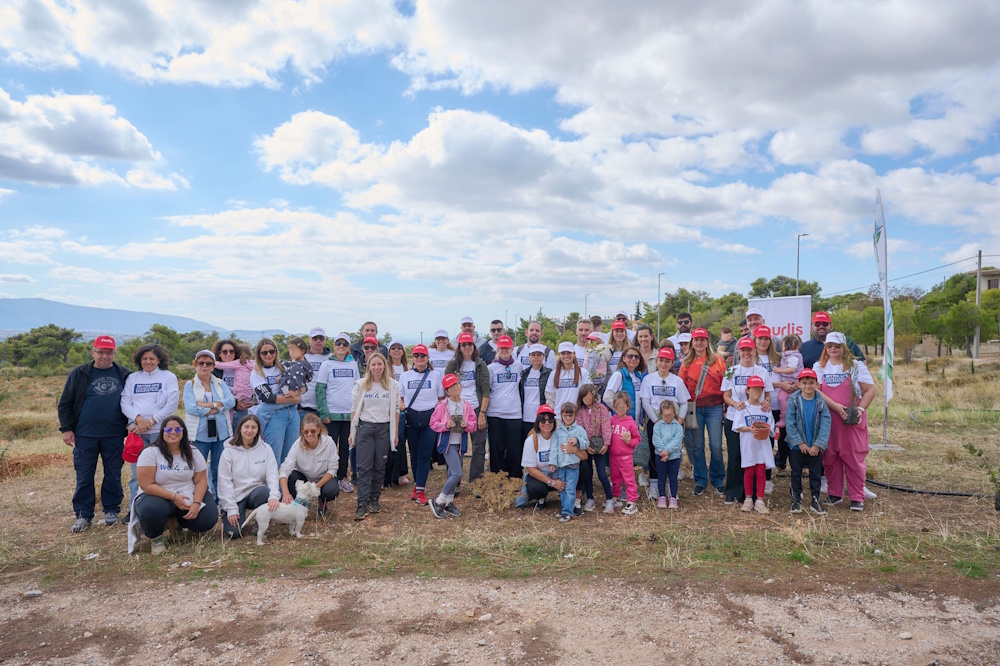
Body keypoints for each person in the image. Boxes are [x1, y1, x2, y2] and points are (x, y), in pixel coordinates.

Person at [58, 335, 132, 532]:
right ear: (93, 352)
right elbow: (65, 403)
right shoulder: (80, 373)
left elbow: (134, 401)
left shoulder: (124, 374)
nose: (105, 356)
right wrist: (66, 429)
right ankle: (83, 515)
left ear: (115, 353)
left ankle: (111, 509)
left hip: (115, 433)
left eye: (109, 352)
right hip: (85, 434)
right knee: (84, 474)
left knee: (113, 473)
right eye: (101, 352)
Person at [127, 417, 218, 555]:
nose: (173, 432)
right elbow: (146, 485)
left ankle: (176, 523)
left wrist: (196, 503)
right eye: (168, 429)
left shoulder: (193, 451)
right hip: (157, 494)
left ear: (184, 432)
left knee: (207, 519)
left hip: (187, 492)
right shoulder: (150, 452)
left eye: (177, 429)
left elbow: (200, 481)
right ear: (162, 432)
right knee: (151, 509)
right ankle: (156, 537)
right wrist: (174, 497)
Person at [813, 332, 876, 511]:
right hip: (828, 419)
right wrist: (835, 406)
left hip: (850, 420)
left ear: (844, 348)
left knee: (853, 457)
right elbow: (816, 390)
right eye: (829, 345)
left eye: (837, 346)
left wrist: (860, 409)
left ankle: (857, 496)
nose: (833, 349)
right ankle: (835, 494)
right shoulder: (819, 366)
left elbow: (870, 390)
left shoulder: (855, 366)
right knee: (830, 456)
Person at [121, 343, 179, 515]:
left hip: (159, 433)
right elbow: (125, 402)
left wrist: (152, 421)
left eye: (152, 358)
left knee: (160, 473)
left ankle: (162, 510)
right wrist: (138, 419)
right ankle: (135, 510)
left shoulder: (168, 377)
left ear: (159, 360)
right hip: (137, 434)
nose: (148, 362)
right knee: (136, 474)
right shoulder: (133, 378)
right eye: (144, 358)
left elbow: (172, 403)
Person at [721, 337, 774, 505]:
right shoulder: (732, 371)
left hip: (755, 418)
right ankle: (732, 492)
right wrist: (735, 404)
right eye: (743, 350)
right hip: (734, 418)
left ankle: (749, 494)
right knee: (735, 455)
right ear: (739, 352)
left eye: (749, 350)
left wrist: (766, 402)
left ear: (754, 351)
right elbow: (726, 395)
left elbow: (767, 394)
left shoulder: (761, 371)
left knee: (753, 457)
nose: (746, 353)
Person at [349, 352, 399, 520]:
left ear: (384, 366)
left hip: (384, 429)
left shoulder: (392, 385)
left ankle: (374, 499)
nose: (377, 367)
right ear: (368, 366)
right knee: (364, 468)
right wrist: (352, 432)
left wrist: (395, 433)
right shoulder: (361, 384)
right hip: (366, 428)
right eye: (373, 364)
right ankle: (362, 503)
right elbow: (354, 408)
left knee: (379, 466)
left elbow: (396, 410)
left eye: (380, 364)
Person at [678, 328, 727, 496]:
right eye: (696, 340)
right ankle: (700, 480)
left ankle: (718, 479)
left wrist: (726, 408)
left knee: (715, 446)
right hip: (695, 408)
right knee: (697, 446)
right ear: (692, 343)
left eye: (702, 339)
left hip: (714, 407)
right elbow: (681, 388)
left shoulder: (718, 361)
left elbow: (726, 386)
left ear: (707, 342)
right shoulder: (686, 363)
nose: (699, 343)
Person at [217, 414, 281, 539]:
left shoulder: (265, 449)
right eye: (246, 427)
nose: (249, 430)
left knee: (264, 492)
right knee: (234, 534)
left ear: (258, 430)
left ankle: (259, 522)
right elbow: (224, 482)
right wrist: (231, 508)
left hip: (255, 493)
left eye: (253, 427)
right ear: (240, 429)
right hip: (235, 496)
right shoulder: (228, 451)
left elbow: (272, 475)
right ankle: (232, 515)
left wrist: (274, 495)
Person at [182, 349, 236, 497]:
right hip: (199, 434)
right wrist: (217, 407)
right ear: (195, 364)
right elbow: (191, 408)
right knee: (197, 467)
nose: (204, 366)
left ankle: (218, 499)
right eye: (201, 363)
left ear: (213, 366)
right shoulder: (190, 385)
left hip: (221, 433)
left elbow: (231, 401)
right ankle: (198, 498)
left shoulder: (220, 383)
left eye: (208, 363)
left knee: (219, 468)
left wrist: (207, 405)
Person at [638, 347, 690, 497]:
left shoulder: (677, 381)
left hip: (672, 421)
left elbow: (684, 402)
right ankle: (654, 484)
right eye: (661, 360)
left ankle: (669, 485)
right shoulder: (649, 379)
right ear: (657, 361)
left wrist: (679, 420)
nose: (663, 364)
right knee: (655, 451)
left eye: (667, 361)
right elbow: (646, 402)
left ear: (672, 362)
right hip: (655, 420)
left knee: (673, 451)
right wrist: (655, 421)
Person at [753, 325, 796, 495]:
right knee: (764, 441)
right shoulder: (752, 358)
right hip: (763, 405)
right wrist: (780, 384)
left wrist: (790, 384)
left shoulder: (779, 357)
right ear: (755, 340)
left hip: (782, 404)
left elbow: (790, 374)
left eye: (766, 338)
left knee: (784, 440)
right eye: (760, 338)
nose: (763, 342)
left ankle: (780, 476)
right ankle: (764, 478)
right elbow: (757, 382)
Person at [399, 344, 444, 506]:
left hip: (429, 418)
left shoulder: (436, 375)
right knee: (414, 454)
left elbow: (441, 399)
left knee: (424, 455)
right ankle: (417, 487)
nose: (419, 358)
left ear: (427, 357)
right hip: (411, 417)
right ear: (413, 358)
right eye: (416, 355)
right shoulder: (405, 376)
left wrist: (436, 415)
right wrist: (405, 409)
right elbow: (400, 398)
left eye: (422, 355)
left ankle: (420, 490)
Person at [315, 333, 359, 494]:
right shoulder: (327, 365)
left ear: (349, 347)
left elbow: (357, 388)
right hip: (331, 414)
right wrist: (323, 412)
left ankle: (342, 478)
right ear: (334, 346)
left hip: (349, 414)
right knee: (330, 447)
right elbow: (320, 389)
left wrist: (357, 412)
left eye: (345, 344)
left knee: (346, 446)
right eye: (338, 343)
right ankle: (330, 478)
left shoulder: (353, 364)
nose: (341, 346)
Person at [428, 373, 477, 518]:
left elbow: (473, 424)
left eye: (457, 385)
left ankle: (448, 503)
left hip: (460, 445)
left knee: (452, 474)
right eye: (451, 387)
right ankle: (438, 501)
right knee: (457, 474)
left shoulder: (467, 405)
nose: (455, 388)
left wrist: (467, 425)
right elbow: (433, 423)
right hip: (447, 444)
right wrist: (445, 425)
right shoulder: (442, 405)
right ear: (447, 391)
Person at [445, 332, 491, 482]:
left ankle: (476, 481)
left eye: (469, 344)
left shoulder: (480, 364)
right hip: (457, 410)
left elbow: (485, 390)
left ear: (474, 346)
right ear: (459, 347)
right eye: (463, 344)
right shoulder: (452, 365)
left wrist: (482, 414)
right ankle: (454, 480)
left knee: (478, 447)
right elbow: (447, 388)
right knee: (455, 446)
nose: (466, 347)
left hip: (476, 409)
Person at [784, 369, 831, 514]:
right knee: (796, 472)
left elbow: (825, 423)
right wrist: (799, 442)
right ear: (799, 384)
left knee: (816, 473)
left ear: (817, 384)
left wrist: (818, 444)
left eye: (811, 383)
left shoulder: (820, 402)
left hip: (814, 447)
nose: (808, 386)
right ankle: (796, 500)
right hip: (797, 446)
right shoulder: (793, 400)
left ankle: (815, 501)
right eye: (804, 383)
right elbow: (790, 423)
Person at [250, 338, 301, 465]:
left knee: (290, 455)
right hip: (274, 415)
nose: (269, 355)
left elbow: (296, 387)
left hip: (292, 413)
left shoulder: (283, 367)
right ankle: (273, 485)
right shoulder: (256, 373)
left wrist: (295, 395)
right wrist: (293, 399)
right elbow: (268, 398)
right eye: (264, 353)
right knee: (274, 455)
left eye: (272, 351)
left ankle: (286, 484)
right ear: (259, 354)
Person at [279, 413, 341, 516]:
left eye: (313, 431)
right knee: (290, 477)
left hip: (322, 478)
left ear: (319, 430)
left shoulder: (329, 442)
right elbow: (285, 468)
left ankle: (322, 501)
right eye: (305, 431)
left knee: (332, 490)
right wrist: (285, 493)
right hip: (303, 476)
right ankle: (300, 504)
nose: (309, 434)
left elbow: (332, 469)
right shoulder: (297, 444)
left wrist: (315, 487)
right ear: (302, 432)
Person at [735, 375, 776, 514]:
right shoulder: (742, 407)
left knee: (760, 471)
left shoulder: (765, 408)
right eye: (754, 390)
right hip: (748, 445)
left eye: (759, 390)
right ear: (747, 390)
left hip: (762, 446)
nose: (756, 393)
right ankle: (748, 499)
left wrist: (765, 429)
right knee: (749, 470)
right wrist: (749, 429)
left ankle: (759, 500)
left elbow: (771, 426)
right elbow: (737, 426)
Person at [486, 335, 524, 478]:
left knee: (514, 447)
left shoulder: (518, 366)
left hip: (514, 413)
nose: (504, 350)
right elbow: (488, 389)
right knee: (497, 448)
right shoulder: (491, 368)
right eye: (502, 348)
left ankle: (514, 477)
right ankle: (498, 477)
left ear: (512, 349)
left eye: (507, 348)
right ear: (498, 349)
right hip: (495, 413)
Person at [576, 384, 613, 513]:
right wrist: (585, 446)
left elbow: (606, 426)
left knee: (602, 474)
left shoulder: (602, 409)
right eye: (584, 396)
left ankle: (609, 499)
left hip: (600, 446)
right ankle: (590, 499)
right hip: (587, 447)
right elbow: (580, 429)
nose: (586, 398)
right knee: (588, 473)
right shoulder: (580, 412)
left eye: (589, 395)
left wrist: (606, 443)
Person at [519, 404, 562, 509]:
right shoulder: (531, 440)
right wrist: (552, 482)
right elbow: (531, 469)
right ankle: (541, 498)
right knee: (535, 487)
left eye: (550, 420)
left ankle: (571, 497)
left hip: (559, 473)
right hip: (541, 475)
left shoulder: (560, 435)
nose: (547, 423)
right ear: (537, 423)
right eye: (543, 420)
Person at [552, 403, 589, 522]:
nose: (568, 418)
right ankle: (565, 509)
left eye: (570, 415)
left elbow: (586, 443)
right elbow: (553, 449)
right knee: (562, 488)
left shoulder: (579, 430)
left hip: (573, 465)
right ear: (561, 416)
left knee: (570, 488)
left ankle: (567, 512)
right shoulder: (558, 432)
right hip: (561, 465)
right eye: (565, 415)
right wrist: (553, 463)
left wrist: (577, 441)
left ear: (575, 416)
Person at [774, 333, 805, 471]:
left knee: (785, 400)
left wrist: (778, 370)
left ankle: (785, 417)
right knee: (782, 399)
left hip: (795, 382)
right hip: (786, 382)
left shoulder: (793, 356)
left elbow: (792, 369)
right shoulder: (786, 355)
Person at [608, 391, 641, 515]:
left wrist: (629, 442)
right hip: (613, 455)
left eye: (622, 406)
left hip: (625, 456)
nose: (619, 409)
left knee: (628, 479)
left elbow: (637, 439)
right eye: (617, 407)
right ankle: (616, 497)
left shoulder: (630, 423)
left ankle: (632, 501)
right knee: (615, 478)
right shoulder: (612, 420)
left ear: (627, 406)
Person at [800, 311, 866, 370]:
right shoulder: (803, 347)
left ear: (831, 327)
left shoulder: (845, 341)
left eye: (825, 324)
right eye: (817, 324)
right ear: (812, 328)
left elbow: (863, 364)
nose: (821, 326)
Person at [385, 341, 411, 487]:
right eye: (393, 348)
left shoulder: (408, 368)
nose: (396, 351)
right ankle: (387, 475)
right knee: (389, 442)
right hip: (388, 408)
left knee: (401, 441)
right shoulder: (386, 368)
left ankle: (400, 473)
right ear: (389, 352)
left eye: (399, 348)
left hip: (403, 409)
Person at [213, 339, 254, 424]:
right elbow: (213, 394)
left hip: (244, 409)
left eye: (231, 351)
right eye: (225, 352)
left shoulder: (242, 367)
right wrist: (235, 403)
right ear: (219, 354)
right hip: (223, 410)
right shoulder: (214, 372)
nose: (228, 354)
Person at [652, 401, 684, 509]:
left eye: (670, 415)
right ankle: (662, 497)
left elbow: (677, 441)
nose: (668, 417)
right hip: (660, 456)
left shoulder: (678, 427)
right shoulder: (657, 426)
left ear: (674, 413)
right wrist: (663, 451)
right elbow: (656, 440)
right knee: (661, 476)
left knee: (673, 477)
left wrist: (668, 451)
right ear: (661, 414)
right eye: (665, 416)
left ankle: (673, 498)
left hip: (674, 457)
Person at [519, 345, 553, 442]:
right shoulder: (524, 374)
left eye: (539, 354)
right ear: (529, 357)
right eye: (533, 355)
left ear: (543, 357)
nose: (536, 357)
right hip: (525, 416)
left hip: (540, 417)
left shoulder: (549, 373)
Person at [546, 342, 585, 423]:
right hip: (559, 419)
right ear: (559, 355)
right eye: (563, 353)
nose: (566, 356)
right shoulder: (553, 374)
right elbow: (550, 397)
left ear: (574, 354)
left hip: (577, 418)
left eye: (569, 353)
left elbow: (587, 395)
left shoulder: (583, 373)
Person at [299, 327, 332, 417]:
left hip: (326, 409)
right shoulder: (301, 357)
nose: (318, 341)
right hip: (304, 408)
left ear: (325, 340)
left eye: (321, 338)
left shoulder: (331, 358)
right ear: (309, 339)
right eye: (315, 338)